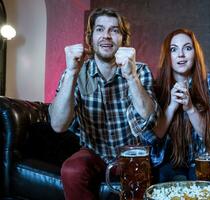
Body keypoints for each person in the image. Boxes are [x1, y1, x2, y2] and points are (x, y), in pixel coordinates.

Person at [48, 8, 158, 200]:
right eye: (100, 29)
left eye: (114, 30)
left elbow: (149, 117)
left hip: (132, 153)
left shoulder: (139, 71)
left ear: (124, 40)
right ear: (90, 38)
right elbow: (58, 124)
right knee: (72, 170)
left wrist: (131, 76)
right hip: (94, 152)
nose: (106, 36)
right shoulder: (76, 72)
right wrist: (72, 73)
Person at [146, 28, 210, 182]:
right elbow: (151, 137)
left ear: (195, 54)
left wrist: (190, 108)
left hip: (205, 156)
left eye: (187, 48)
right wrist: (171, 107)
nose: (181, 55)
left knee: (204, 188)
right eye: (173, 49)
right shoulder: (156, 87)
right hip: (167, 160)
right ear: (167, 56)